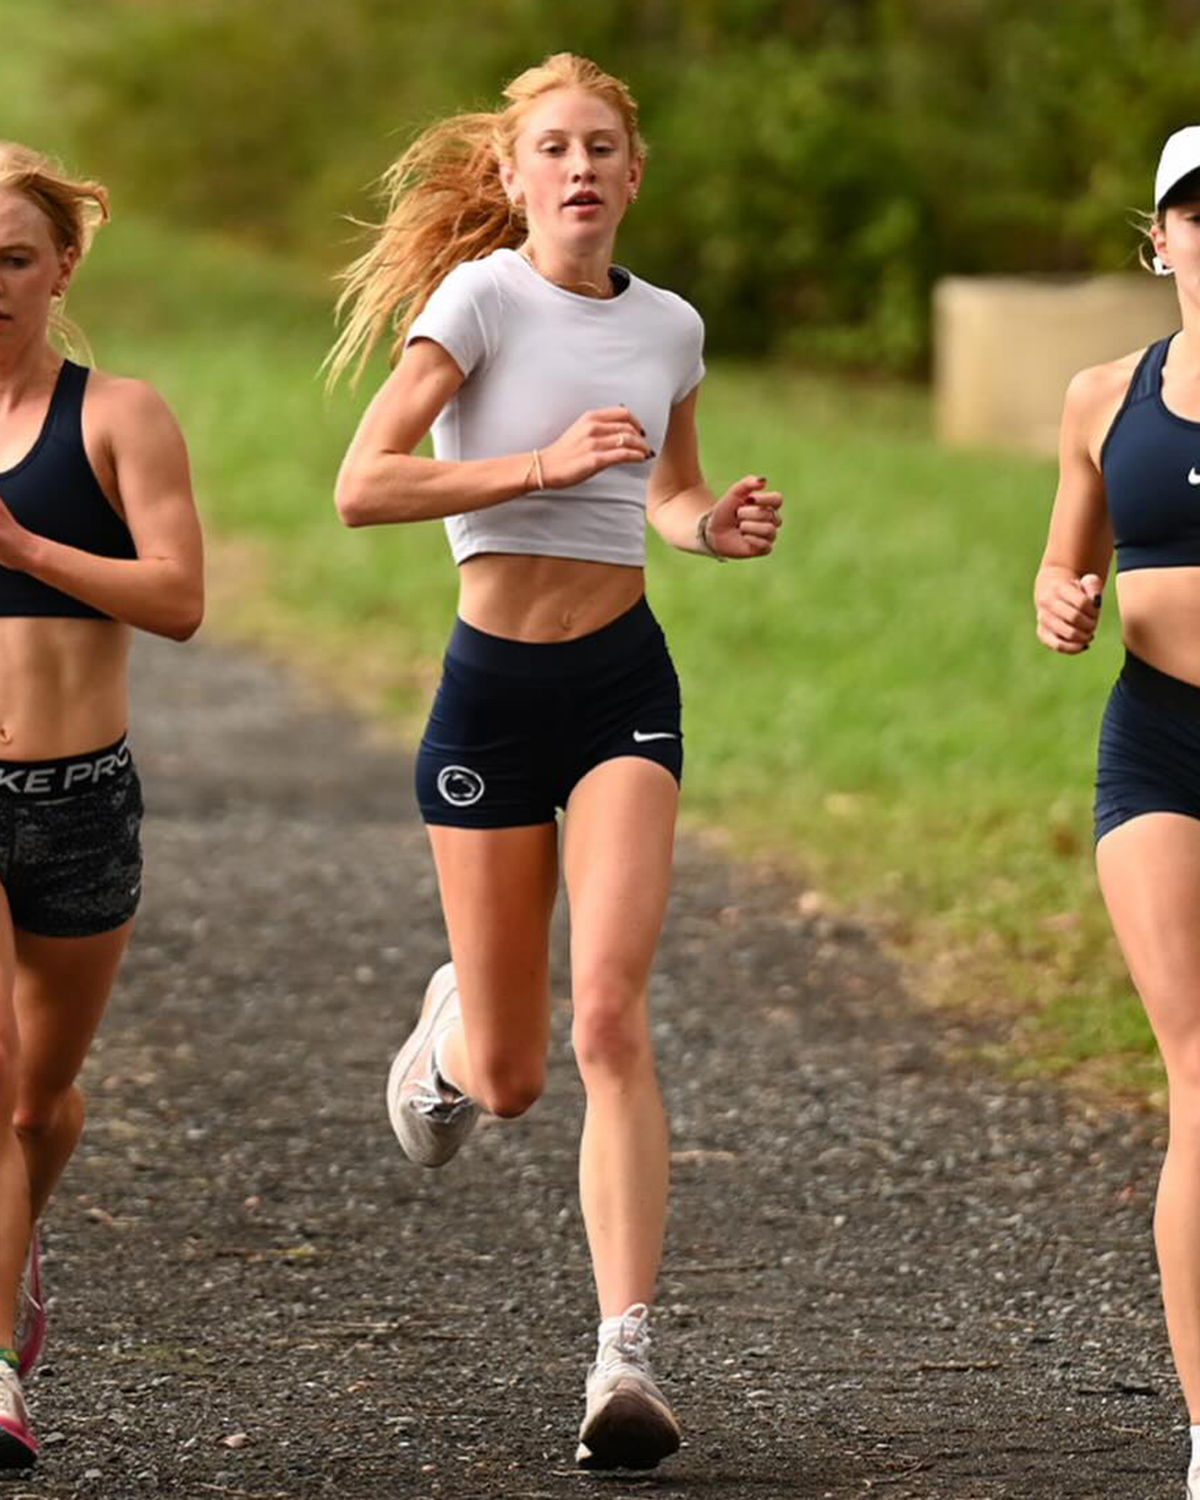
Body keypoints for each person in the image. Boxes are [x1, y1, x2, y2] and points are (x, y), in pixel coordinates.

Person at [329, 52, 782, 1472]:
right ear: (514, 179)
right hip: (489, 699)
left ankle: (624, 1357)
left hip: (620, 689)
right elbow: (363, 487)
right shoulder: (475, 303)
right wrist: (533, 466)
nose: (581, 167)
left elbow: (667, 492)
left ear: (634, 174)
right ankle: (456, 1027)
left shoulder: (674, 327)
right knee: (517, 1075)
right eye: (554, 149)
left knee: (610, 1015)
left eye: (603, 146)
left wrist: (716, 527)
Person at [0, 142, 204, 1469]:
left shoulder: (118, 415)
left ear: (62, 265)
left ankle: (15, 1275)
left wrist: (20, 548)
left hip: (79, 797)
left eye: (13, 257)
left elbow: (179, 601)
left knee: (39, 1101)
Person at [1035, 125, 1200, 1500]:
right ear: (1159, 240)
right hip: (1156, 750)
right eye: (1194, 216)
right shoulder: (1101, 396)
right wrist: (1064, 606)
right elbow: (1060, 578)